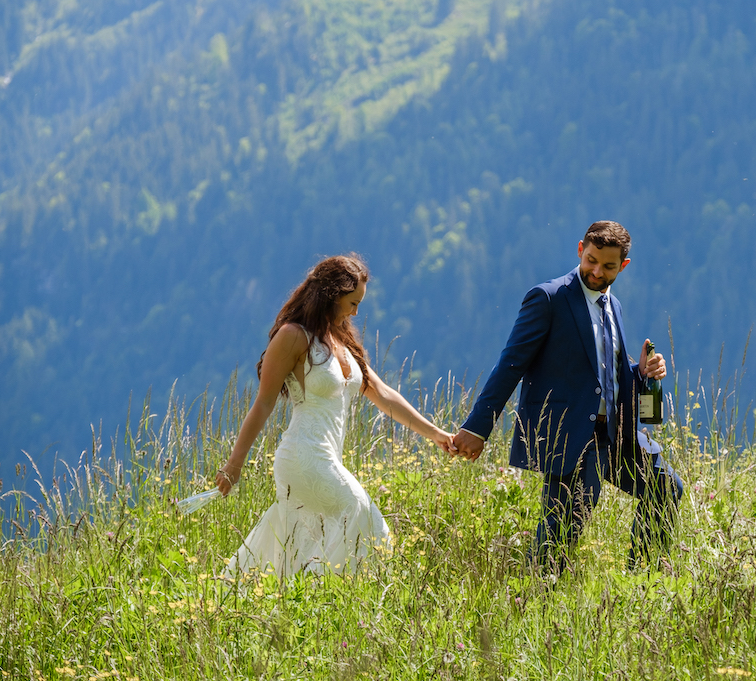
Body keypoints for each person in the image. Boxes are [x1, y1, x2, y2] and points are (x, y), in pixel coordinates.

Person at [451, 221, 683, 573]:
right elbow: (510, 365)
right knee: (560, 533)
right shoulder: (549, 297)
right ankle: (532, 602)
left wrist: (641, 373)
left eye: (607, 266)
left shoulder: (613, 305)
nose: (595, 271)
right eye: (591, 260)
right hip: (570, 435)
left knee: (665, 488)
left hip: (615, 434)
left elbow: (606, 372)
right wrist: (478, 427)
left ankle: (641, 581)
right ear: (580, 249)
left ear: (624, 266)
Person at [215, 254, 454, 576]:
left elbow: (383, 395)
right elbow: (263, 403)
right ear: (330, 295)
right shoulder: (292, 336)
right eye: (352, 303)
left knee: (303, 541)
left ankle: (300, 609)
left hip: (329, 457)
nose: (356, 312)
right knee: (363, 517)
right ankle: (334, 597)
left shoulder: (342, 340)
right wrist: (234, 464)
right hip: (302, 457)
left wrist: (437, 434)